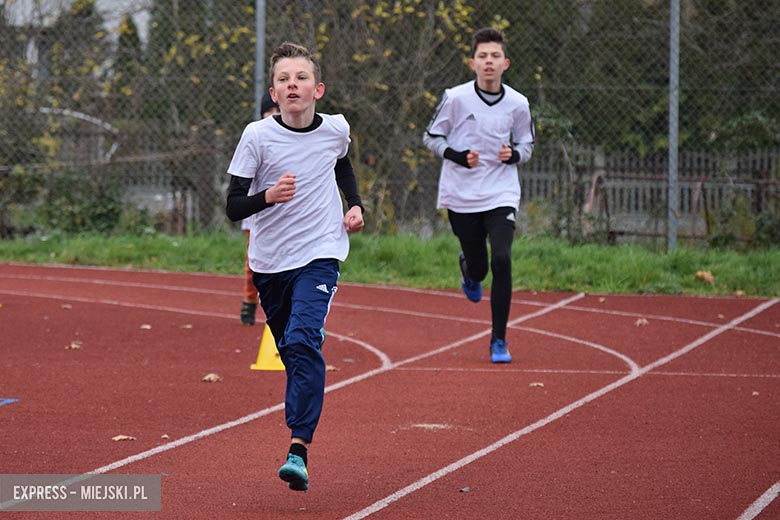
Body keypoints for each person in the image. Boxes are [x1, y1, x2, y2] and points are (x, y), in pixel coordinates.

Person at [226, 42, 365, 492]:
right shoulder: (257, 136)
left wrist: (355, 205)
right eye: (284, 79)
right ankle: (303, 377)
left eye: (301, 78)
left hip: (321, 251)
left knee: (303, 341)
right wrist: (268, 197)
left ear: (317, 89)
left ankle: (298, 450)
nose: (292, 85)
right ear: (274, 91)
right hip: (270, 263)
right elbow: (232, 207)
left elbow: (342, 166)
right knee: (293, 352)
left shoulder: (336, 130)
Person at [423, 27, 535, 364]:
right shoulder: (455, 98)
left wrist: (512, 156)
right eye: (483, 56)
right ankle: (468, 270)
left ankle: (498, 340)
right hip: (461, 193)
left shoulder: (518, 103)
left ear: (506, 63)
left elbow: (527, 144)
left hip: (501, 191)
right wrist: (457, 155)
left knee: (502, 259)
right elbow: (431, 137)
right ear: (473, 63)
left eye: (495, 56)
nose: (489, 62)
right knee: (481, 268)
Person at [239, 91, 280, 326]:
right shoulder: (254, 137)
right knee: (253, 265)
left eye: (277, 111)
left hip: (285, 215)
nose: (273, 116)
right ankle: (249, 301)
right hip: (257, 214)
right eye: (269, 111)